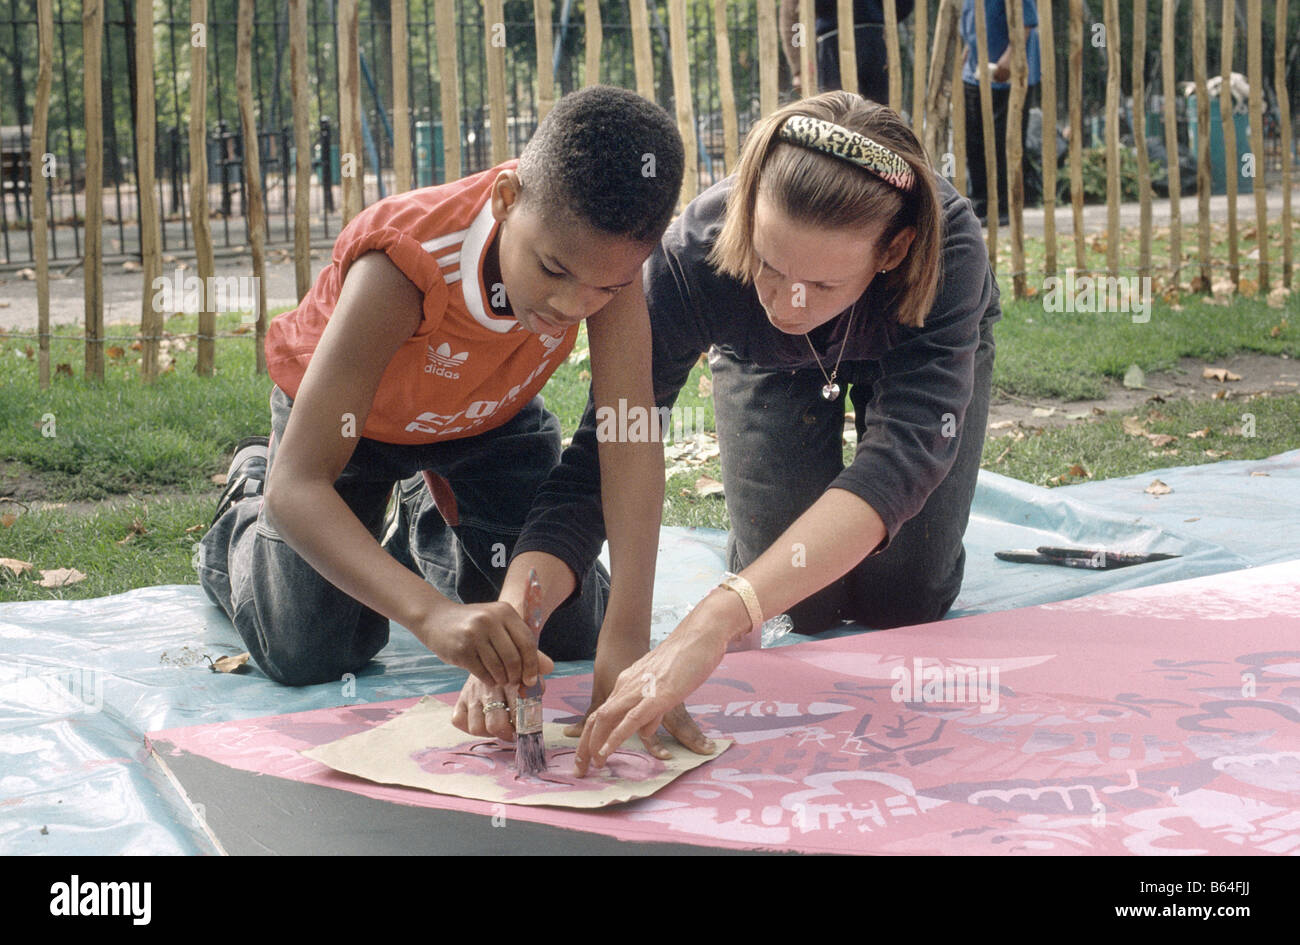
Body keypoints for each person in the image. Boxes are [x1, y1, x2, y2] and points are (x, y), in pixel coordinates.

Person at [197, 87, 684, 727]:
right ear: (506, 199)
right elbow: (302, 485)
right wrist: (433, 617)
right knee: (307, 651)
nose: (573, 305)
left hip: (489, 421)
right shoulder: (405, 263)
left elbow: (629, 439)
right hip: (351, 432)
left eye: (606, 287)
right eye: (553, 270)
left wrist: (626, 641)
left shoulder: (604, 263)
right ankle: (243, 503)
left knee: (568, 630)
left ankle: (434, 515)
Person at [553, 91, 1001, 774]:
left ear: (894, 249)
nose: (787, 301)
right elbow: (611, 439)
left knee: (906, 596)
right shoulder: (694, 257)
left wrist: (717, 616)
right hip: (767, 365)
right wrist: (599, 619)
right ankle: (766, 538)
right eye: (767, 262)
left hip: (902, 344)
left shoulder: (948, 254)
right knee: (804, 604)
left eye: (821, 284)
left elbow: (901, 460)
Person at [960, 0, 1041, 225]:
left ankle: (1003, 205)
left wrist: (1011, 55)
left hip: (1006, 71)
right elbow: (972, 20)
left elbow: (1026, 23)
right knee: (974, 140)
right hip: (976, 70)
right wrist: (967, 53)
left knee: (1004, 141)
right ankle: (980, 201)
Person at [780, 0, 914, 106]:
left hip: (875, 43)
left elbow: (903, 6)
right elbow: (793, 18)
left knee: (879, 117)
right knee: (836, 113)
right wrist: (799, 66)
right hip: (831, 47)